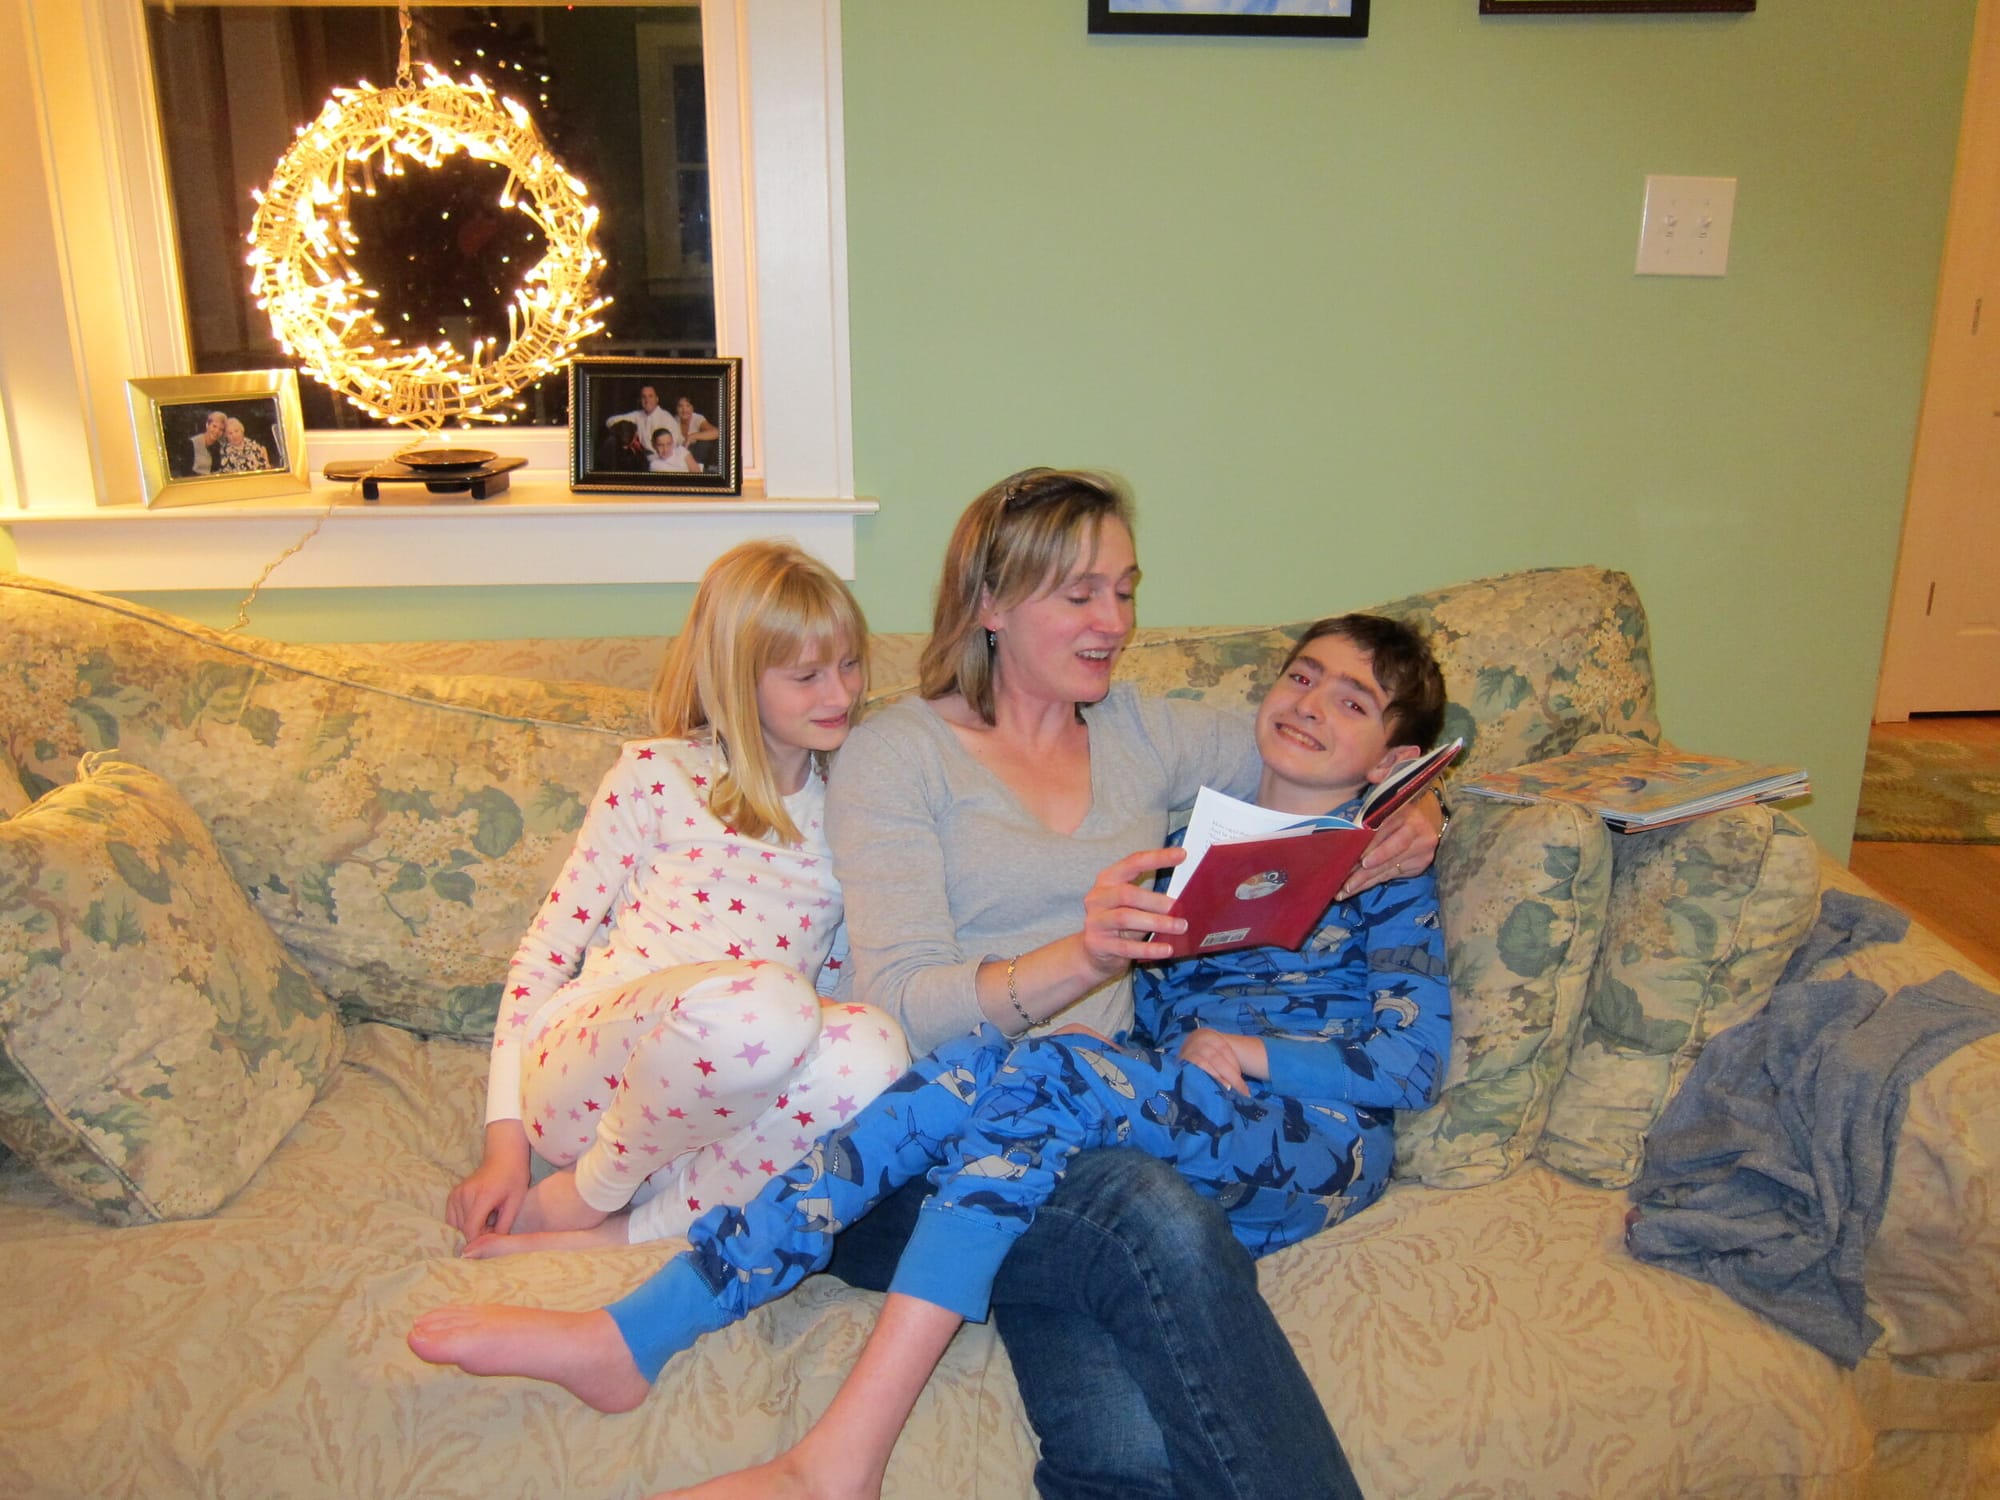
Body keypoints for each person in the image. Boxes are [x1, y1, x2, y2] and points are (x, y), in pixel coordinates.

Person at [409, 469, 1440, 1499]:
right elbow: (896, 1007)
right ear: (989, 603)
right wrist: (1079, 958)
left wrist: (1417, 811)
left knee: (1126, 1347)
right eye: (1078, 594)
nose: (1113, 621)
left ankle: (770, 1424)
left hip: (1097, 1122)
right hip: (915, 1146)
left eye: (1124, 590)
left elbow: (1323, 759)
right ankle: (757, 1412)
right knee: (1151, 1213)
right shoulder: (893, 754)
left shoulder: (1142, 731)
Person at [441, 539, 909, 1253]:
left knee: (875, 1047)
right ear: (735, 680)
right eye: (807, 675)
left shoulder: (851, 810)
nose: (841, 694)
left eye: (849, 666)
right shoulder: (660, 776)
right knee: (772, 1002)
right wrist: (503, 1151)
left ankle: (625, 1233)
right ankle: (587, 1194)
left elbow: (841, 979)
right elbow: (543, 956)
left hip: (709, 1129)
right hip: (587, 1081)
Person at [607, 384, 676, 452]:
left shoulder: (666, 418)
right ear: (640, 400)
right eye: (644, 397)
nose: (647, 400)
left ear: (657, 399)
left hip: (665, 458)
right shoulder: (638, 415)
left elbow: (674, 445)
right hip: (646, 457)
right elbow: (610, 421)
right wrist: (632, 436)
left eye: (650, 396)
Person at [674, 394, 721, 472]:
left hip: (697, 457)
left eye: (688, 406)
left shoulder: (697, 418)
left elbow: (716, 432)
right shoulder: (673, 420)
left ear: (692, 408)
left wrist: (692, 436)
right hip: (680, 458)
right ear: (676, 408)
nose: (684, 410)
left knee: (705, 442)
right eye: (680, 406)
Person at [189, 410, 226, 476]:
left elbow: (216, 470)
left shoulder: (218, 446)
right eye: (214, 426)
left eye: (221, 429)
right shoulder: (191, 443)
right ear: (207, 425)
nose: (217, 431)